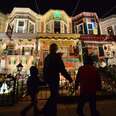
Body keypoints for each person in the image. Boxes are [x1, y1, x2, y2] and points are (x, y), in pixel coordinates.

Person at [43, 43, 73, 116]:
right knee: (54, 95)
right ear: (55, 49)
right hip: (54, 78)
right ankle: (48, 110)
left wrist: (45, 78)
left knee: (54, 94)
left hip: (49, 78)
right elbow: (62, 69)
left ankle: (49, 110)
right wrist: (69, 78)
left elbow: (45, 69)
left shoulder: (47, 57)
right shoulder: (56, 57)